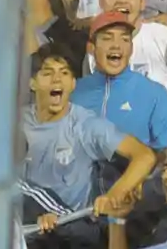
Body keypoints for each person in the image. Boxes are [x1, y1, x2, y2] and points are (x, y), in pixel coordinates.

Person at [22, 45, 157, 222]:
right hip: (19, 227)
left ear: (72, 84)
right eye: (47, 73)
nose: (56, 80)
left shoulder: (87, 125)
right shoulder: (14, 120)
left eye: (64, 73)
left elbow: (144, 155)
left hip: (67, 228)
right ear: (32, 83)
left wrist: (115, 193)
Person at [70, 11, 167, 152]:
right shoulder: (74, 94)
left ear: (131, 48)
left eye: (124, 39)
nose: (116, 46)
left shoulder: (154, 94)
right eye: (107, 38)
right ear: (92, 48)